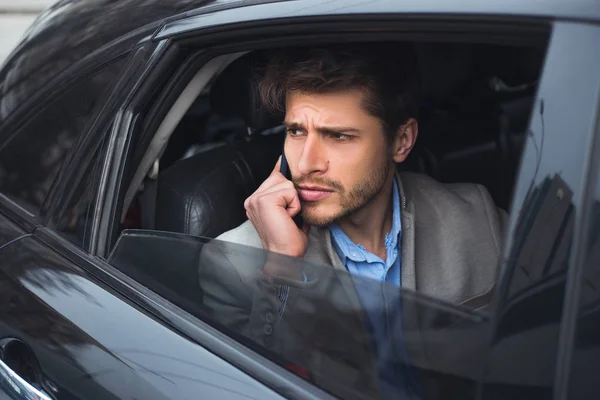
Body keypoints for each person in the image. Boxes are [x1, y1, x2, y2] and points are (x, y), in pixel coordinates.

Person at [198, 44, 506, 398]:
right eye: (296, 132)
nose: (305, 163)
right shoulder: (233, 262)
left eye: (339, 136)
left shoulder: (477, 216)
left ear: (401, 141)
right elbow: (246, 390)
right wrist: (282, 267)